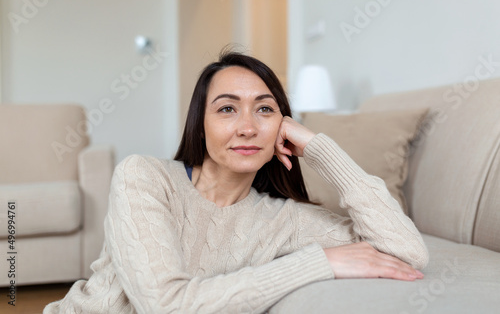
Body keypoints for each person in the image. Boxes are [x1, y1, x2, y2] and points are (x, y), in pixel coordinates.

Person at [44, 50, 428, 314]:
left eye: (265, 109)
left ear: (283, 126)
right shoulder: (143, 176)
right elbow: (165, 306)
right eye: (227, 108)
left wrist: (318, 147)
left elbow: (407, 251)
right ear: (201, 124)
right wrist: (318, 263)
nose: (247, 127)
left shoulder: (285, 221)